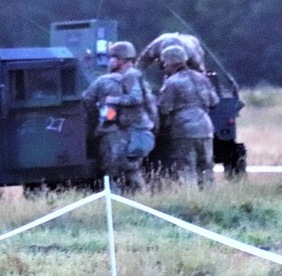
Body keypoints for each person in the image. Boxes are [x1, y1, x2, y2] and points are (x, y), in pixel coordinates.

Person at [81, 41, 157, 193]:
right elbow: (149, 104)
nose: (110, 61)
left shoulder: (106, 81)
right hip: (135, 131)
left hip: (112, 132)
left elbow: (87, 100)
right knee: (132, 169)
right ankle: (141, 199)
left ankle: (115, 202)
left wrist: (109, 103)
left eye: (113, 58)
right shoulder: (138, 77)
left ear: (121, 60)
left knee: (111, 171)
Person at [156, 45, 219, 188]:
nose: (164, 66)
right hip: (205, 128)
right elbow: (214, 101)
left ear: (171, 62)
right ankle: (209, 200)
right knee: (206, 167)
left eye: (165, 63)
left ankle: (190, 200)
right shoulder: (202, 78)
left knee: (186, 167)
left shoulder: (171, 82)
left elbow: (164, 108)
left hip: (184, 130)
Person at [136, 32, 205, 74]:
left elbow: (201, 73)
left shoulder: (192, 51)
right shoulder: (157, 46)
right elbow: (140, 64)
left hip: (188, 68)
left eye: (174, 64)